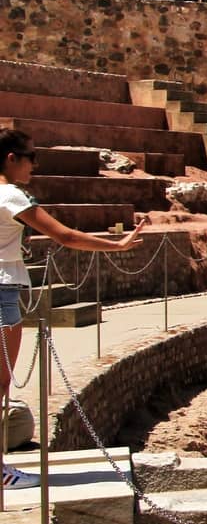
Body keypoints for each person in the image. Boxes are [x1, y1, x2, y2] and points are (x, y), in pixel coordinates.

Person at [1, 130, 144, 487]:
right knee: (1, 383)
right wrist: (117, 245)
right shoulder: (9, 195)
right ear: (10, 158)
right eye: (31, 157)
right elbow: (64, 236)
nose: (35, 165)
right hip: (2, 289)